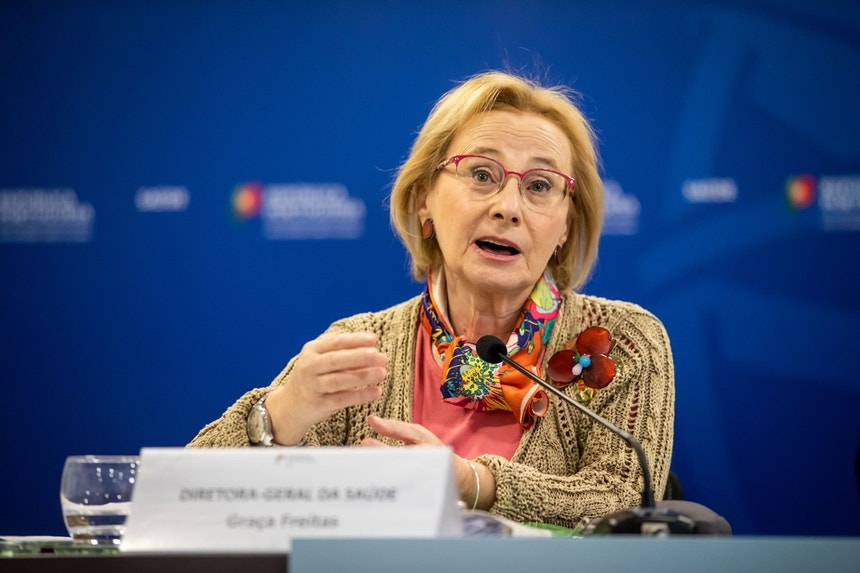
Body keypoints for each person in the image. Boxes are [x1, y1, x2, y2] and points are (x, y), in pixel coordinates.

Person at [189, 70, 675, 530]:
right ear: (425, 199)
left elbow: (628, 501)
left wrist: (470, 482)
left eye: (540, 185)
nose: (508, 207)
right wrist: (281, 415)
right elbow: (191, 496)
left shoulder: (624, 341)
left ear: (566, 224)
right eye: (481, 174)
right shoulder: (362, 345)